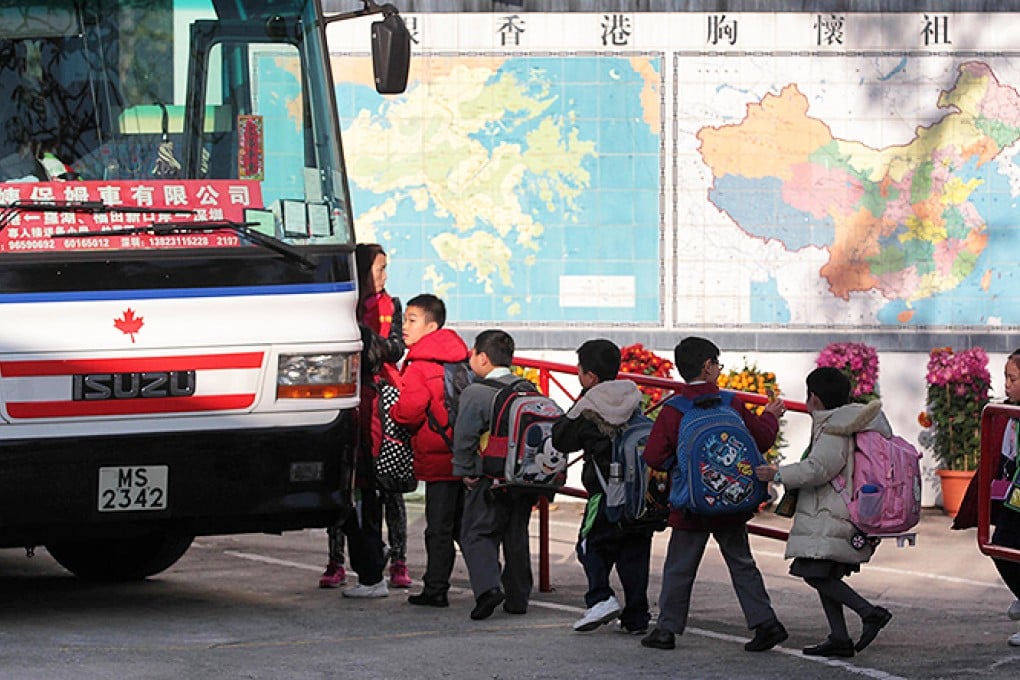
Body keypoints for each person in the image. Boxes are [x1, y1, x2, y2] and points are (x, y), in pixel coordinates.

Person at [640, 336, 788, 652]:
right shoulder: (732, 403)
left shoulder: (673, 409)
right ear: (708, 367)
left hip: (691, 505)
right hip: (732, 501)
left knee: (680, 567)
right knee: (742, 563)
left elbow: (653, 456)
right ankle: (766, 623)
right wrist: (771, 415)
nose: (719, 370)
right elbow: (761, 439)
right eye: (717, 364)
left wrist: (683, 465)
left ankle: (666, 630)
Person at [754, 366, 894, 657]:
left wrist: (777, 474)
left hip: (830, 513)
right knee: (824, 573)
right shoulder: (841, 421)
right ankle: (839, 638)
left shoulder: (835, 428)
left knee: (814, 573)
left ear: (813, 397)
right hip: (831, 512)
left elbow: (819, 468)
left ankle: (869, 613)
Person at [319, 244, 412, 589]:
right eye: (378, 269)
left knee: (389, 483)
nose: (384, 277)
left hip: (383, 397)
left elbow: (396, 348)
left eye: (386, 269)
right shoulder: (341, 303)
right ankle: (336, 561)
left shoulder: (393, 305)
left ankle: (398, 560)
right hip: (345, 397)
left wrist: (368, 340)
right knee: (344, 483)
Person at [550, 339, 654, 634]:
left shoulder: (589, 404)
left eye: (580, 371)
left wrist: (582, 398)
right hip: (638, 496)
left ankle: (601, 597)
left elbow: (560, 438)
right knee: (634, 554)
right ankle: (636, 617)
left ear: (590, 376)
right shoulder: (633, 396)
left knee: (589, 545)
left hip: (605, 493)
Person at [452, 329, 540, 620]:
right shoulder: (528, 389)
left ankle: (488, 589)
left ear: (483, 358)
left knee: (477, 533)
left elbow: (465, 437)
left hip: (490, 477)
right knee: (516, 535)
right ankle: (518, 598)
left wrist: (465, 471)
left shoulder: (476, 393)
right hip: (524, 478)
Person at [390, 294, 470, 608]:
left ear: (431, 326)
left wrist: (394, 413)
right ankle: (494, 581)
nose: (404, 326)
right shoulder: (460, 357)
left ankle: (437, 589)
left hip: (438, 457)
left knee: (438, 529)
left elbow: (409, 412)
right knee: (465, 527)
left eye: (412, 320)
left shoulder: (420, 365)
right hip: (463, 453)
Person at [953, 348, 1020, 647]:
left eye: (1013, 378)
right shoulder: (1006, 413)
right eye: (1006, 377)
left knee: (1005, 545)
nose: (1006, 384)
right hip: (1010, 498)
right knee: (998, 545)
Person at [334, 325, 390, 599]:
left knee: (359, 522)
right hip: (368, 470)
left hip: (363, 470)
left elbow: (369, 435)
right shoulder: (374, 387)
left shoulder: (363, 395)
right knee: (365, 520)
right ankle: (373, 568)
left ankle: (372, 576)